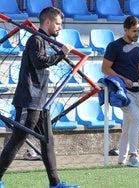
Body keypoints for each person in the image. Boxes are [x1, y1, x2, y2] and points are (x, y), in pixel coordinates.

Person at [0, 7, 79, 188]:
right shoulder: (36, 39)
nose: (60, 27)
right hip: (29, 99)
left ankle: (55, 183)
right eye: (58, 24)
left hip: (41, 101)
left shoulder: (45, 41)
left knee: (48, 140)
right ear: (48, 22)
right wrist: (61, 54)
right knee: (18, 139)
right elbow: (39, 62)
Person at [102, 16, 139, 167]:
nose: (137, 34)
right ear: (125, 29)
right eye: (134, 31)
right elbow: (105, 68)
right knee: (136, 117)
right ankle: (133, 155)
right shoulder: (114, 46)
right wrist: (122, 79)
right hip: (123, 92)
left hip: (137, 90)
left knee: (128, 126)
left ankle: (121, 159)